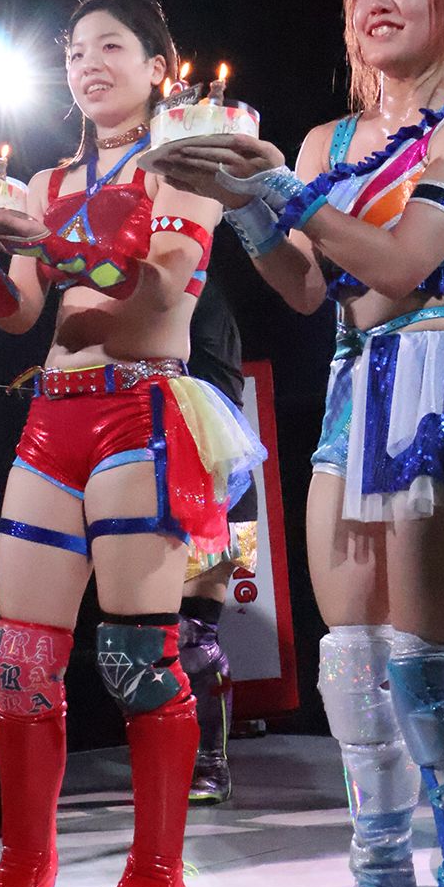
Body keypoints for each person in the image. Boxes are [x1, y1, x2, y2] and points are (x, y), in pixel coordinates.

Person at [154, 0, 444, 887]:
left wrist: (277, 191)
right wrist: (242, 206)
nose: (376, 1)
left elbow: (403, 265)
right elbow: (303, 285)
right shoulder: (326, 140)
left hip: (437, 383)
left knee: (428, 676)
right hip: (349, 392)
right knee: (351, 669)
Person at [0, 0, 264, 887]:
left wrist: (58, 249)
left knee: (138, 657)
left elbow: (158, 298)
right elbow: (21, 315)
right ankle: (24, 868)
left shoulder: (184, 166)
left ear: (158, 68)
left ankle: (158, 877)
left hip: (141, 413)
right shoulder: (41, 182)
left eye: (109, 47)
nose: (87, 64)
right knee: (18, 662)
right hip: (52, 420)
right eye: (74, 51)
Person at [179, 259, 258, 805]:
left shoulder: (197, 294)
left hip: (215, 478)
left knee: (192, 635)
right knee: (144, 639)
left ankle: (210, 763)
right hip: (147, 476)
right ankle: (167, 757)